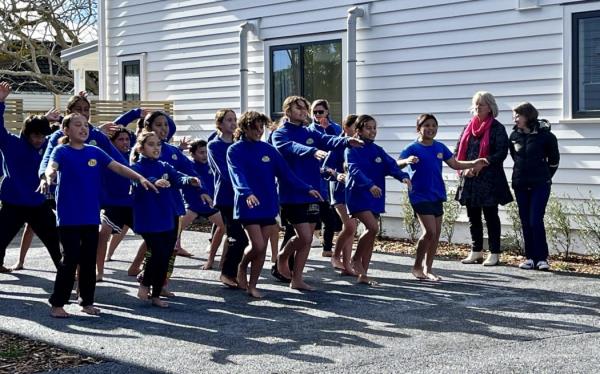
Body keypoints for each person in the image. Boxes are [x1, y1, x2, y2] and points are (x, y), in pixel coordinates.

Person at [38, 113, 156, 318]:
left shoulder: (94, 152)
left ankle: (86, 301)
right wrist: (47, 178)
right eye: (77, 125)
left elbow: (119, 167)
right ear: (66, 131)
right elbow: (51, 166)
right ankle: (57, 303)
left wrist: (139, 178)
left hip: (90, 217)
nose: (83, 129)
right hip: (68, 218)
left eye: (85, 125)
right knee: (70, 260)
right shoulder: (61, 150)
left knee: (87, 260)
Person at [271, 96, 363, 290]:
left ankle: (297, 279)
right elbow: (290, 147)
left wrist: (347, 141)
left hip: (313, 192)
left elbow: (328, 139)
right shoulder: (280, 134)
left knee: (307, 239)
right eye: (299, 108)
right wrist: (311, 151)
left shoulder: (309, 131)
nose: (304, 112)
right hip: (292, 192)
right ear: (287, 110)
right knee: (304, 237)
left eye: (305, 108)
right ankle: (282, 257)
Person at [227, 111, 321, 297]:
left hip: (268, 203)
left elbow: (286, 174)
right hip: (248, 205)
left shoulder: (268, 149)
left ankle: (253, 285)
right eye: (255, 128)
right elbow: (236, 174)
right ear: (244, 128)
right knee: (258, 245)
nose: (259, 131)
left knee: (261, 248)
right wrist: (246, 193)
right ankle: (242, 266)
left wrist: (306, 188)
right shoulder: (235, 150)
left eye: (261, 127)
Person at [399, 114, 489, 281]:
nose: (431, 128)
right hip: (419, 194)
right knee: (429, 232)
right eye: (427, 125)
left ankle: (429, 268)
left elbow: (455, 164)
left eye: (434, 125)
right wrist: (406, 160)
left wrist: (474, 162)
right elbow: (396, 164)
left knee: (436, 234)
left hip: (436, 194)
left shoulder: (439, 147)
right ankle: (417, 266)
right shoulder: (412, 148)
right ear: (419, 128)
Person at [130, 131, 203, 307]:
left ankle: (156, 295)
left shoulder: (164, 165)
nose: (156, 148)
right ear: (141, 148)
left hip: (167, 216)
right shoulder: (136, 168)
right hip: (149, 218)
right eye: (151, 144)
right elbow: (137, 181)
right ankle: (145, 284)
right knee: (157, 253)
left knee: (165, 254)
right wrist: (154, 181)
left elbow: (178, 177)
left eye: (158, 144)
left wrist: (189, 180)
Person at [0, 81, 62, 273]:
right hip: (13, 204)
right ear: (26, 135)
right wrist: (1, 101)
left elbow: (65, 131)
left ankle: (64, 270)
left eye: (43, 136)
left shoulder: (47, 145)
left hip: (38, 204)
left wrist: (45, 120)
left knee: (54, 238)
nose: (39, 140)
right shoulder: (12, 144)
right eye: (35, 136)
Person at [345, 114, 412, 285]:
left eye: (374, 128)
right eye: (368, 128)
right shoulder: (351, 148)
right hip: (358, 194)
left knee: (371, 234)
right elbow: (354, 170)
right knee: (373, 227)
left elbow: (391, 165)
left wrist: (403, 177)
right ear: (358, 130)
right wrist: (369, 185)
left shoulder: (377, 150)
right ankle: (355, 259)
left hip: (375, 196)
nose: (373, 131)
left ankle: (363, 274)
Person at [456, 91, 513, 267]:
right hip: (470, 179)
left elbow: (501, 152)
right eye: (476, 103)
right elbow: (457, 150)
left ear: (490, 107)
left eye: (481, 104)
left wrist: (483, 162)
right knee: (473, 217)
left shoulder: (497, 128)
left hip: (489, 180)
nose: (478, 107)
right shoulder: (467, 127)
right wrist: (464, 168)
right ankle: (476, 251)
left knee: (491, 217)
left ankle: (494, 253)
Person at [509, 102, 559, 271]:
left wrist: (543, 177)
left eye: (518, 115)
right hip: (520, 184)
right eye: (514, 116)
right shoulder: (514, 136)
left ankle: (542, 258)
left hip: (540, 184)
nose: (515, 119)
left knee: (535, 220)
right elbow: (516, 158)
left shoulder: (546, 136)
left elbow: (554, 161)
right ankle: (530, 257)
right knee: (525, 221)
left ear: (528, 116)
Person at [207, 109, 249, 288]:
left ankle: (235, 271)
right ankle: (227, 273)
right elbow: (225, 172)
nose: (233, 123)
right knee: (238, 237)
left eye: (235, 120)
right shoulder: (214, 145)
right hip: (226, 196)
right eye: (229, 120)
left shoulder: (240, 143)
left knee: (238, 236)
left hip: (244, 196)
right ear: (220, 124)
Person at [96, 126, 136, 281]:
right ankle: (99, 271)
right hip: (112, 204)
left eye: (127, 139)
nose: (125, 142)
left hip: (132, 204)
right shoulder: (107, 155)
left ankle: (137, 267)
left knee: (152, 236)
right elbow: (99, 136)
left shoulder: (135, 156)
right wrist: (134, 114)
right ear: (112, 142)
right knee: (103, 235)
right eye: (121, 139)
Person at [179, 139, 226, 270]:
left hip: (209, 205)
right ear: (192, 154)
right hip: (192, 205)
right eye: (201, 152)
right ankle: (173, 247)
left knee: (224, 226)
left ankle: (211, 256)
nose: (204, 155)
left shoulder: (211, 165)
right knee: (174, 230)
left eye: (206, 152)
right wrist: (180, 148)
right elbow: (174, 159)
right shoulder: (188, 165)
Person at [322, 114, 359, 275]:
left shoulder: (361, 145)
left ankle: (347, 263)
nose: (359, 131)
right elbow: (324, 168)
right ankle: (336, 256)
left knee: (350, 228)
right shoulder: (338, 144)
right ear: (346, 128)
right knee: (350, 226)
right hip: (338, 190)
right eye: (355, 128)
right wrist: (337, 175)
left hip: (355, 191)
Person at [307, 99, 343, 257]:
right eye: (314, 112)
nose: (317, 115)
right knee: (316, 212)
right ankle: (308, 242)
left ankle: (327, 248)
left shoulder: (335, 128)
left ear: (327, 112)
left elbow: (339, 145)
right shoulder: (309, 130)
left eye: (320, 112)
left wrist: (328, 129)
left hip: (333, 173)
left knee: (331, 215)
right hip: (316, 174)